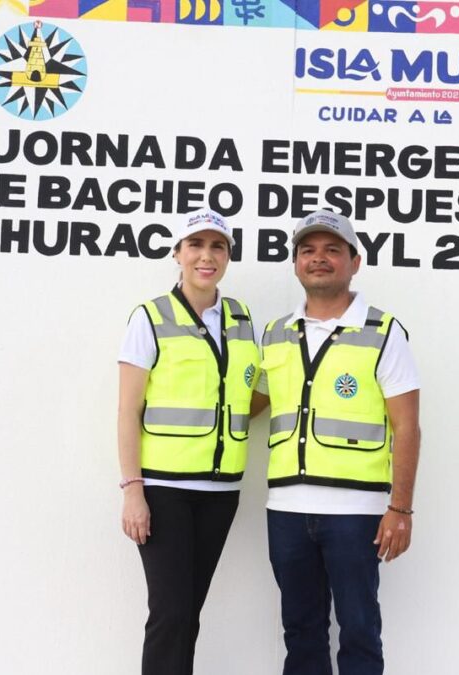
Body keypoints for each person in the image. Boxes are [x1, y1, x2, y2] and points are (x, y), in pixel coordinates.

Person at [257, 209, 421, 675]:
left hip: (357, 515)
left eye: (332, 250)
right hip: (286, 510)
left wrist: (401, 508)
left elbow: (407, 426)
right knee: (301, 632)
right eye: (308, 250)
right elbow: (252, 404)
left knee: (360, 632)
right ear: (295, 265)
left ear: (355, 261)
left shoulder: (383, 332)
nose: (319, 259)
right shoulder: (275, 333)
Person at [117, 208, 263, 675]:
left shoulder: (240, 317)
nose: (207, 256)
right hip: (164, 491)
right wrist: (133, 490)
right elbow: (127, 410)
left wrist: (231, 420)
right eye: (196, 246)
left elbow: (250, 392)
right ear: (177, 254)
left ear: (228, 256)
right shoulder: (150, 317)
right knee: (171, 615)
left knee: (188, 615)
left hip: (221, 493)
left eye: (217, 247)